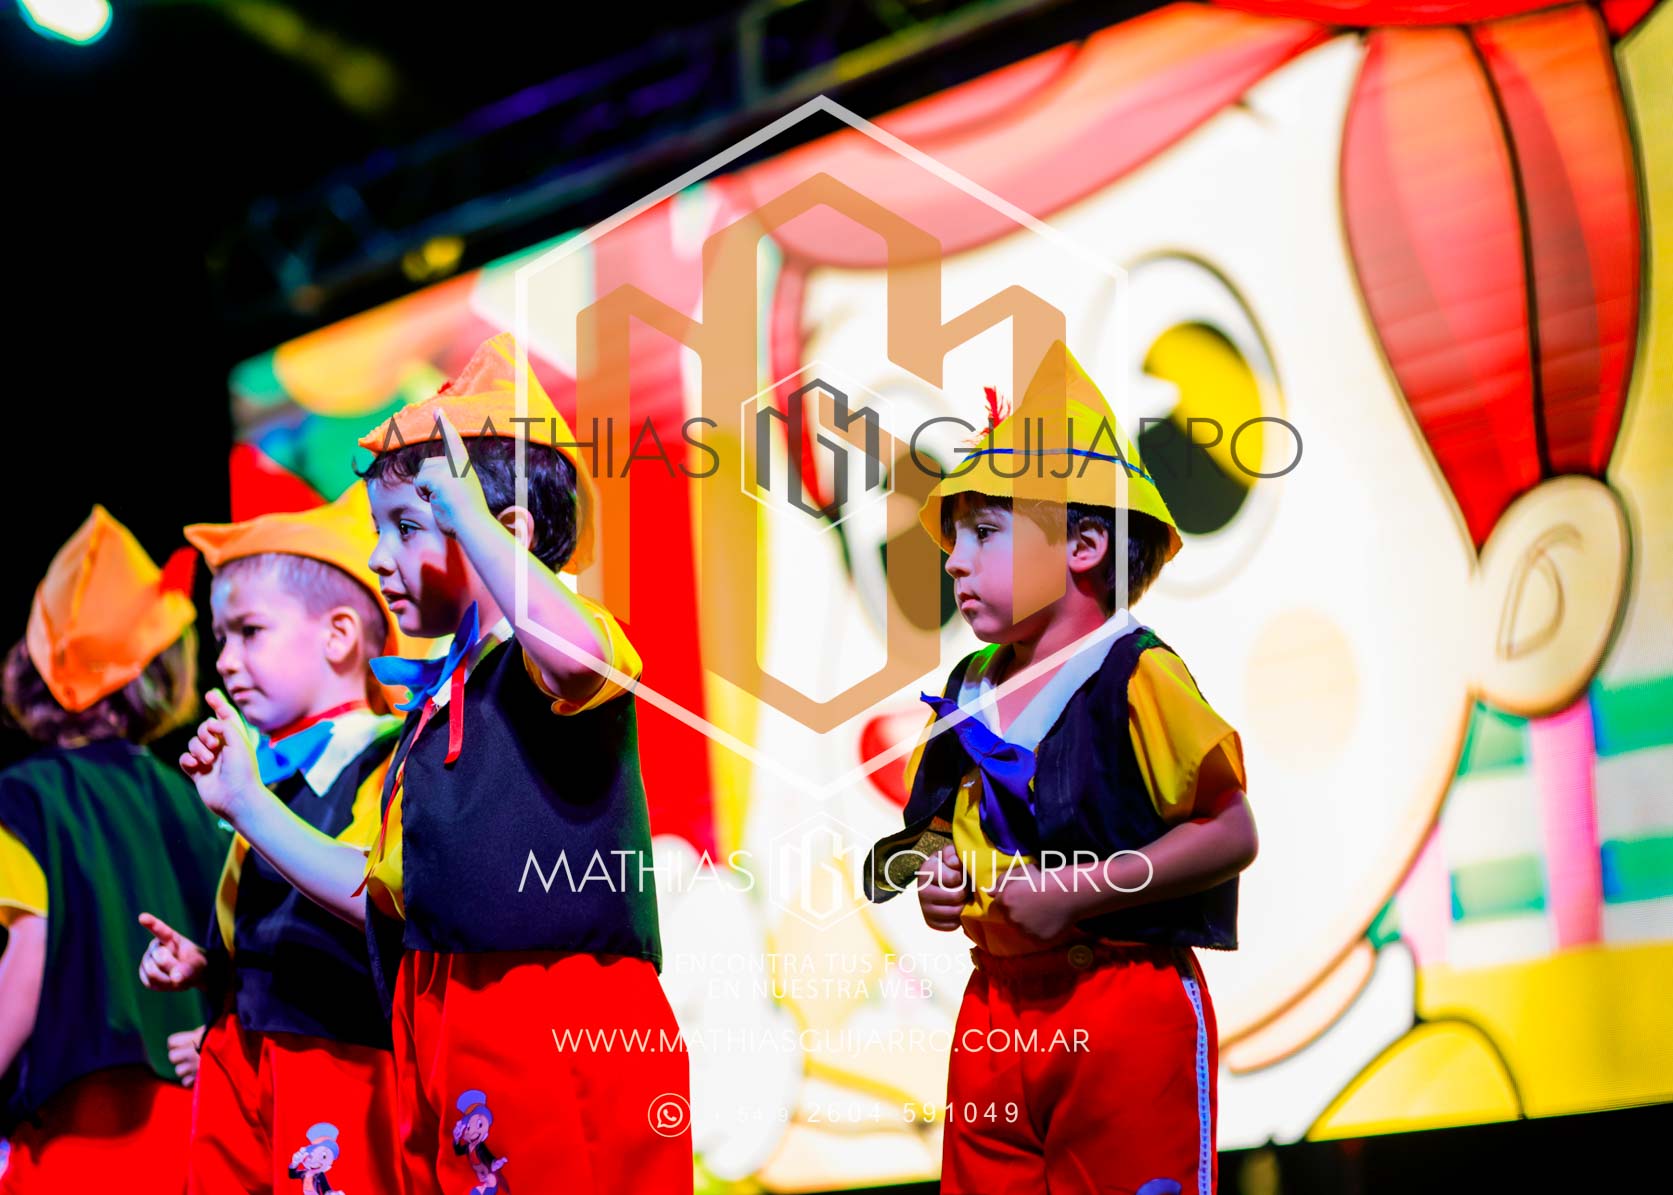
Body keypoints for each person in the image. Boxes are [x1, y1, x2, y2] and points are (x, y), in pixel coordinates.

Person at [178, 333, 691, 1194]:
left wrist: (474, 523)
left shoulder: (551, 656)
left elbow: (578, 660)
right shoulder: (430, 714)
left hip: (550, 1020)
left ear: (507, 532)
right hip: (445, 1029)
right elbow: (383, 892)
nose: (378, 558)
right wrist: (247, 805)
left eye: (409, 526)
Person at [865, 341, 1259, 1195]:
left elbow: (1230, 830)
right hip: (995, 1008)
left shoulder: (1136, 672)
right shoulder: (966, 690)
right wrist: (939, 879)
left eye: (983, 532)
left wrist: (1077, 890)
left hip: (1120, 1000)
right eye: (955, 537)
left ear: (1083, 542)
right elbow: (941, 833)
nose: (953, 558)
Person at [138, 484, 405, 1193]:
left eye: (249, 631)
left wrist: (251, 805)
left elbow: (375, 896)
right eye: (221, 638)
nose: (225, 660)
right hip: (244, 1061)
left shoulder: (387, 758)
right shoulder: (263, 774)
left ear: (339, 635)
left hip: (339, 1062)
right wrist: (211, 967)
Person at [0, 506, 227, 1194]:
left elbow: (25, 963)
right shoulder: (200, 798)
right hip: (195, 1123)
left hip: (77, 1132)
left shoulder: (22, 798)